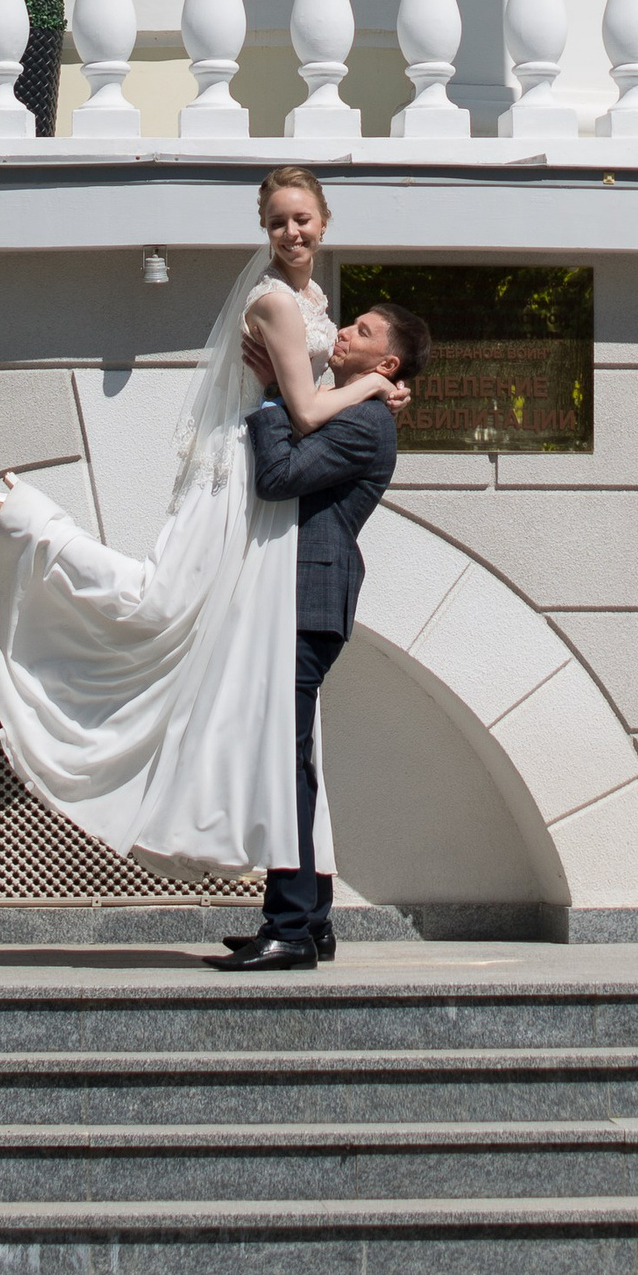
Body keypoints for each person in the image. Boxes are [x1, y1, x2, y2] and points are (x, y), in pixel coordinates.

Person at [0, 168, 412, 879]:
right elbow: (304, 413)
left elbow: (320, 397)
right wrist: (376, 384)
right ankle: (23, 519)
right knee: (162, 603)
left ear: (325, 221)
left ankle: (295, 902)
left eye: (302, 219)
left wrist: (370, 382)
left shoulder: (314, 300)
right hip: (241, 478)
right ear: (265, 231)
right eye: (277, 222)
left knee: (243, 680)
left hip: (268, 487)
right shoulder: (277, 304)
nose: (291, 232)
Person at [221, 282, 432, 971]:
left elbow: (278, 476)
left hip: (310, 596)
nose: (345, 331)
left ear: (387, 366)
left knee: (287, 762)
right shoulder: (353, 409)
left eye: (365, 331)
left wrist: (271, 396)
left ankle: (288, 925)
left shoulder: (364, 422)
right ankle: (309, 919)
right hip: (304, 598)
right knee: (295, 759)